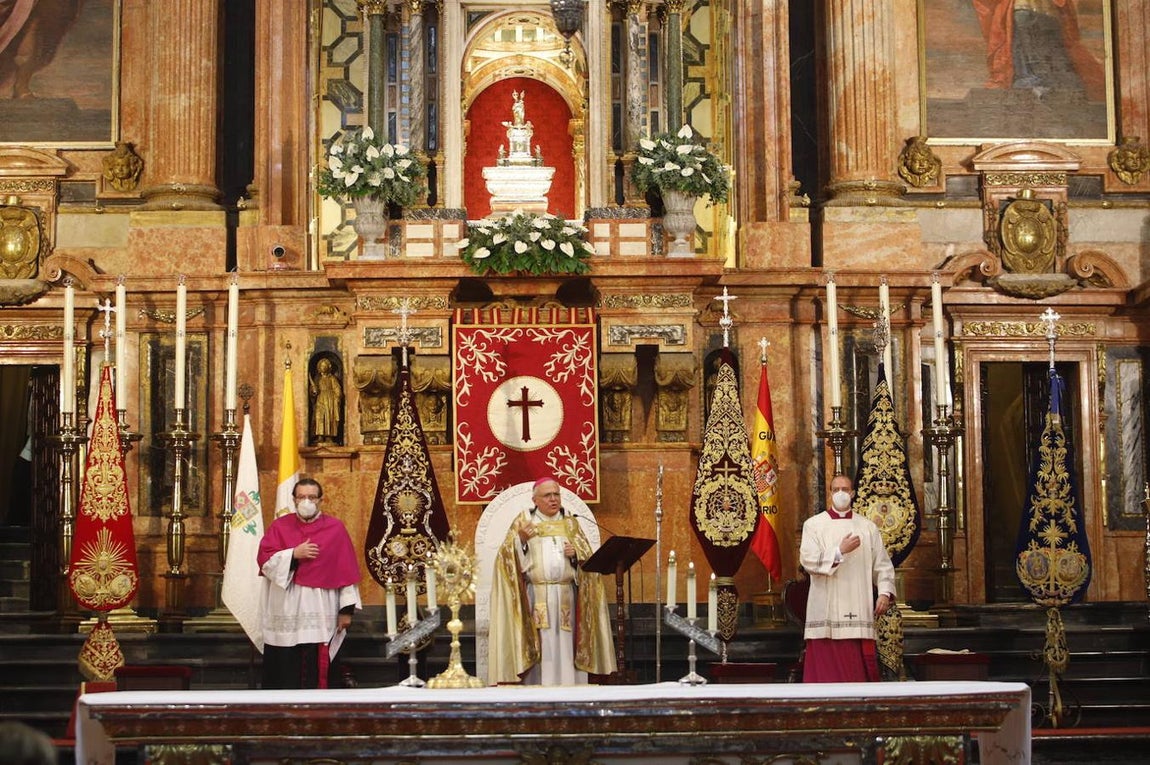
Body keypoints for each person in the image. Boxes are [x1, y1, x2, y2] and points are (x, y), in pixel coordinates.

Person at [488, 477, 616, 685]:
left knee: (566, 645)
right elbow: (504, 559)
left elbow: (588, 561)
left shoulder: (571, 523)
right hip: (536, 595)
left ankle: (570, 687)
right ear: (535, 500)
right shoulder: (524, 521)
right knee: (542, 645)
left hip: (567, 595)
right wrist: (520, 541)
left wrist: (576, 555)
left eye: (556, 494)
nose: (553, 499)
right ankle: (538, 691)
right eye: (547, 495)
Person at [258, 478, 362, 689]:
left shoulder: (335, 528)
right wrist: (293, 554)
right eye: (302, 497)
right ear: (294, 500)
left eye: (312, 497)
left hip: (321, 609)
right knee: (285, 665)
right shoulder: (280, 526)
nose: (307, 501)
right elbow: (265, 562)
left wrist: (346, 611)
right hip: (286, 607)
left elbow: (346, 571)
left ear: (321, 500)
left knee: (316, 663)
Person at [799, 474, 896, 683]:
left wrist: (884, 593)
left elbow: (882, 564)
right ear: (830, 493)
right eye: (836, 489)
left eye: (845, 489)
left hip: (858, 605)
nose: (841, 493)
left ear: (852, 493)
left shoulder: (867, 527)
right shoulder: (813, 525)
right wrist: (839, 551)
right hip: (825, 610)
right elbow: (808, 561)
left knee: (855, 673)